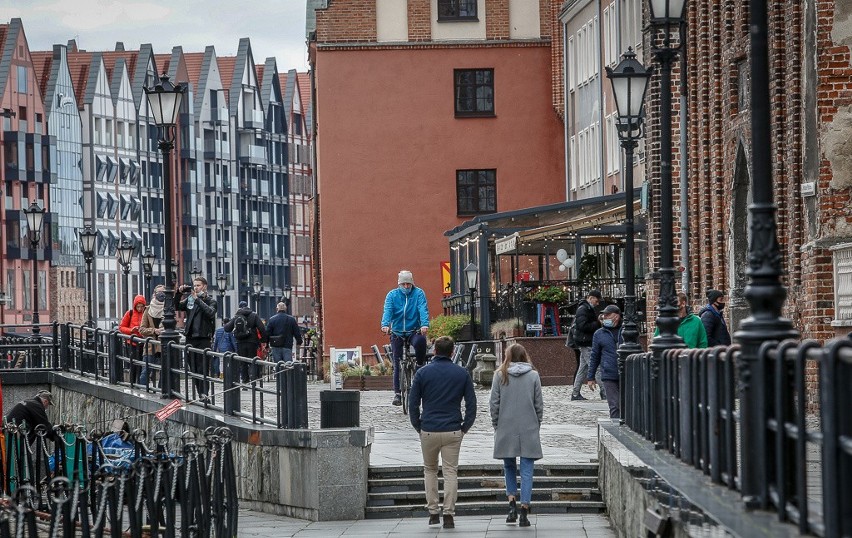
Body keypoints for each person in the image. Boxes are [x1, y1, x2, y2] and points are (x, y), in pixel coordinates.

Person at [408, 336, 476, 530]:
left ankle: (432, 513)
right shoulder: (461, 373)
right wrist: (465, 426)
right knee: (450, 471)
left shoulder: (422, 373)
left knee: (429, 470)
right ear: (453, 352)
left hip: (428, 429)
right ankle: (448, 514)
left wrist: (418, 425)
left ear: (434, 351)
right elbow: (472, 404)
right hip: (453, 429)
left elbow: (413, 403)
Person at [489, 343, 543, 527]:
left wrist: (497, 425)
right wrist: (537, 424)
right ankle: (524, 510)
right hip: (528, 427)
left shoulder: (500, 375)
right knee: (527, 471)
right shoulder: (534, 376)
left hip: (506, 426)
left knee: (509, 466)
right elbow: (539, 405)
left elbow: (493, 404)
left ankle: (511, 503)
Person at [381, 270, 429, 406]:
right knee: (397, 363)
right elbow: (388, 310)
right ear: (399, 284)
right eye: (404, 284)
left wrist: (424, 324)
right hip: (397, 331)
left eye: (409, 284)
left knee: (420, 341)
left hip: (414, 329)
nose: (406, 287)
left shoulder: (418, 293)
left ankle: (419, 364)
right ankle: (397, 394)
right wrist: (385, 325)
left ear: (412, 283)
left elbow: (422, 309)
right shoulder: (392, 295)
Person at [175, 276, 218, 399]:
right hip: (190, 337)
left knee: (203, 367)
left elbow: (210, 312)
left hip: (203, 338)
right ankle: (199, 392)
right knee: (193, 368)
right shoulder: (190, 300)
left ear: (204, 286)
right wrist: (179, 293)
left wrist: (197, 300)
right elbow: (176, 306)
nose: (195, 288)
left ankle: (204, 393)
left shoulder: (211, 301)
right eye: (194, 285)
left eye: (198, 285)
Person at [587, 305, 624, 419]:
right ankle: (616, 431)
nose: (604, 317)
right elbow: (595, 356)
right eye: (604, 315)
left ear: (616, 316)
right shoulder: (599, 334)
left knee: (627, 405)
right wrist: (590, 377)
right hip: (609, 373)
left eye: (608, 315)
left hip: (626, 373)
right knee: (614, 406)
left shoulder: (626, 330)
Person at [570, 290, 606, 401]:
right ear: (590, 297)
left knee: (583, 368)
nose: (597, 303)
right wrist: (598, 323)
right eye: (596, 300)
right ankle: (605, 392)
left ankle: (575, 393)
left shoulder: (585, 308)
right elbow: (583, 326)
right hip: (586, 342)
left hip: (585, 342)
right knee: (596, 366)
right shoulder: (583, 309)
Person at [225, 300, 268, 384]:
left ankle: (245, 381)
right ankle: (253, 381)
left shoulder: (237, 316)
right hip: (252, 342)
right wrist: (263, 341)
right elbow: (262, 328)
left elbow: (227, 328)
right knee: (252, 361)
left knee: (242, 362)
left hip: (240, 342)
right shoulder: (254, 315)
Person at [139, 285, 166, 386]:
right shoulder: (148, 310)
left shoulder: (168, 309)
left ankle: (162, 392)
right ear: (154, 294)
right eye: (159, 292)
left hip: (163, 346)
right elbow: (142, 329)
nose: (161, 294)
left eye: (163, 292)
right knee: (145, 371)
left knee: (165, 372)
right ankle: (142, 392)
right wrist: (154, 331)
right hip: (151, 346)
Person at [118, 294, 147, 383]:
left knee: (143, 364)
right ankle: (133, 383)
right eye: (138, 307)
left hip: (143, 342)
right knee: (133, 364)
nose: (140, 308)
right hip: (132, 343)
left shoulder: (146, 313)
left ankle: (140, 383)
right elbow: (121, 327)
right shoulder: (129, 313)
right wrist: (131, 330)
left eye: (141, 307)